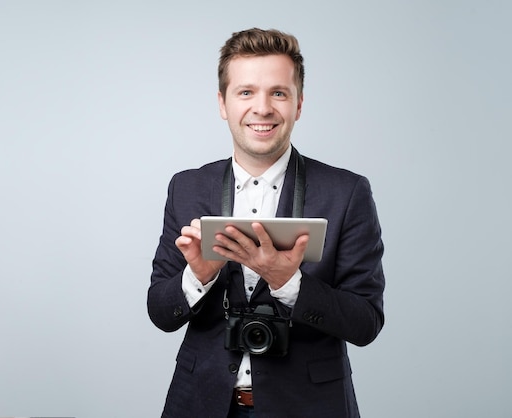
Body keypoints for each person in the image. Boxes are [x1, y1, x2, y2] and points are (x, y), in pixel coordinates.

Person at [147, 28, 385, 418]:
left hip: (310, 407)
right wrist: (198, 278)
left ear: (298, 104)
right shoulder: (187, 187)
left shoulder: (347, 192)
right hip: (200, 404)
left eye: (278, 92)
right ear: (222, 103)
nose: (262, 108)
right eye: (245, 92)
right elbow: (159, 311)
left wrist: (289, 283)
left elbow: (366, 323)